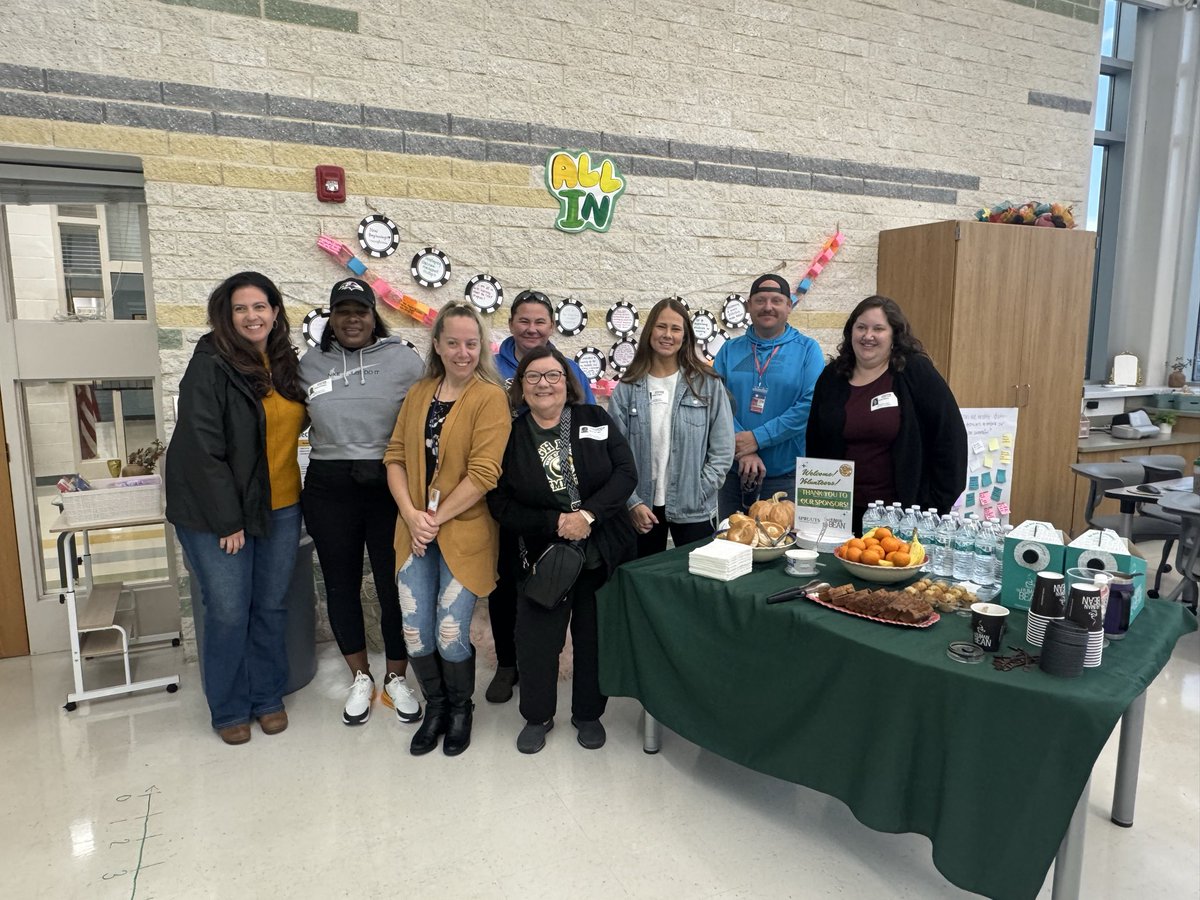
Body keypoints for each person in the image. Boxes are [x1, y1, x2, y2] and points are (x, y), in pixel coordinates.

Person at [166, 271, 306, 746]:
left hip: (281, 506)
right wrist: (228, 520)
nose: (251, 316)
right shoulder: (210, 364)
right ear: (225, 316)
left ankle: (266, 696)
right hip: (217, 515)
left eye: (260, 306)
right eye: (240, 308)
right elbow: (202, 449)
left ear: (275, 312)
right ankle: (229, 707)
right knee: (228, 611)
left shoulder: (284, 363)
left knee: (270, 606)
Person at [487, 346, 637, 754]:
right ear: (521, 386)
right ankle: (537, 716)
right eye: (533, 376)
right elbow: (499, 502)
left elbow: (626, 473)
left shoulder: (595, 418)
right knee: (536, 640)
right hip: (542, 556)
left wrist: (588, 515)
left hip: (600, 551)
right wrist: (555, 522)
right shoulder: (510, 434)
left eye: (552, 375)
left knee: (593, 638)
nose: (544, 384)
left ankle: (588, 714)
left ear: (567, 382)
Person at [383, 303, 511, 757]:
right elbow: (395, 456)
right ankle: (435, 707)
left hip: (464, 533)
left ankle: (460, 709)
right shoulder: (419, 393)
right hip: (413, 531)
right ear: (436, 344)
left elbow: (484, 473)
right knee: (415, 630)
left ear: (482, 347)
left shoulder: (490, 397)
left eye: (471, 343)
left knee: (450, 632)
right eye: (453, 342)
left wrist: (433, 520)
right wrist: (411, 515)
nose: (462, 352)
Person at [298, 278, 424, 727]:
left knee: (395, 584)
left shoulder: (404, 360)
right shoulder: (309, 364)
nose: (352, 319)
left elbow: (428, 418)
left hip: (389, 480)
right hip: (329, 484)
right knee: (340, 583)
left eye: (361, 311)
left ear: (374, 316)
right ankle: (360, 677)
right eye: (343, 311)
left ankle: (396, 677)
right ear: (331, 318)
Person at [487, 289, 594, 704]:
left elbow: (586, 420)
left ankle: (557, 663)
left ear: (552, 325)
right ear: (511, 323)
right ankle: (507, 664)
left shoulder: (565, 368)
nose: (532, 329)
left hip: (559, 494)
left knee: (557, 580)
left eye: (540, 322)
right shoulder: (490, 368)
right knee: (505, 580)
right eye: (524, 321)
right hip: (508, 488)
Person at [806, 295, 968, 534]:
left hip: (902, 518)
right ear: (851, 332)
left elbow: (950, 439)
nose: (868, 336)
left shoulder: (915, 372)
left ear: (894, 335)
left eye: (878, 329)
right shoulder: (832, 377)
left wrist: (933, 508)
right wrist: (816, 507)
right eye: (861, 327)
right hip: (839, 517)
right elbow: (815, 443)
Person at [608, 297, 734, 556]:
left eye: (676, 329)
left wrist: (701, 488)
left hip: (694, 506)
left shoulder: (707, 384)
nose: (668, 335)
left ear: (685, 336)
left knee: (697, 576)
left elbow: (723, 448)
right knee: (642, 576)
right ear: (649, 331)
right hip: (642, 508)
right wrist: (632, 503)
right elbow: (613, 453)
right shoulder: (627, 387)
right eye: (661, 326)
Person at [713, 273, 825, 519]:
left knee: (782, 542)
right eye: (760, 300)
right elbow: (715, 403)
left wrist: (758, 438)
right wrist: (744, 449)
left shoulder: (808, 350)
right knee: (731, 540)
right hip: (732, 474)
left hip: (786, 476)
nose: (768, 307)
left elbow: (809, 405)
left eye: (776, 300)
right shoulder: (729, 350)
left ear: (789, 306)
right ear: (749, 305)